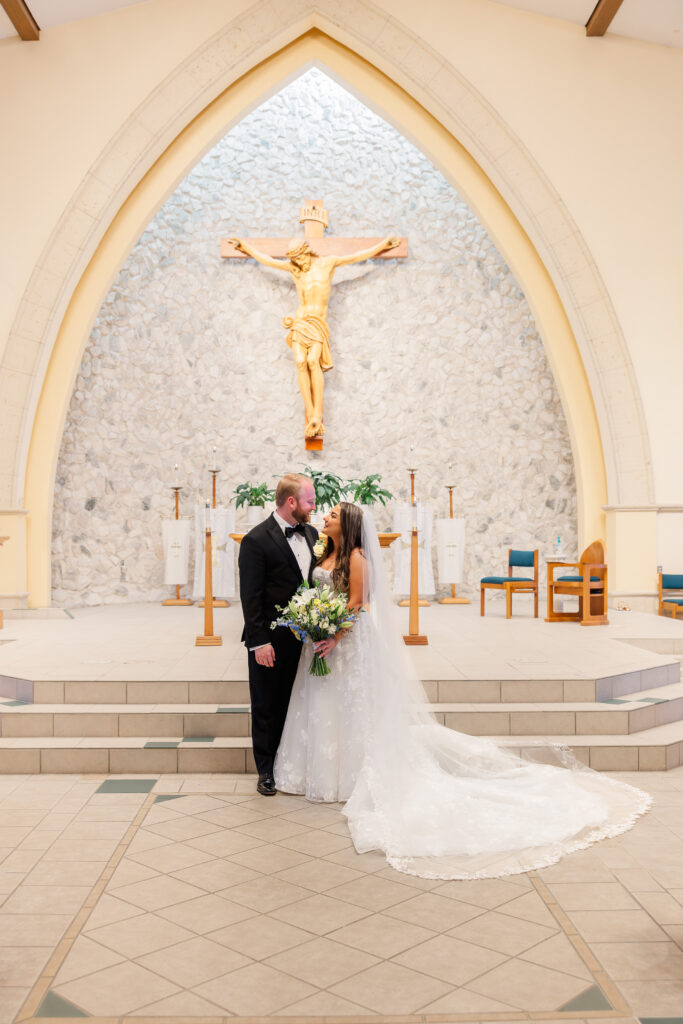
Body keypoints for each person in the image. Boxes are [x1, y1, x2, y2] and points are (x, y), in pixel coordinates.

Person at [274, 502, 652, 880]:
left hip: (348, 647)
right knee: (327, 707)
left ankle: (353, 775)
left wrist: (334, 636)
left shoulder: (356, 558)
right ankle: (321, 772)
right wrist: (315, 626)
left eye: (334, 515)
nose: (325, 517)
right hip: (324, 646)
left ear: (350, 525)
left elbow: (357, 605)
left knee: (352, 708)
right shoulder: (327, 552)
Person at [226, 236, 400, 438]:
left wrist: (382, 246)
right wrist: (246, 248)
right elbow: (269, 261)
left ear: (306, 251)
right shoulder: (296, 271)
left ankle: (318, 411)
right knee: (300, 362)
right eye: (295, 260)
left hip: (318, 324)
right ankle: (311, 412)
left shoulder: (328, 263)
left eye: (300, 258)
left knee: (312, 361)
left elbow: (357, 256)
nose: (299, 263)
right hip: (301, 322)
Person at [238, 473, 317, 796]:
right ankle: (266, 770)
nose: (314, 507)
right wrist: (259, 642)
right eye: (310, 501)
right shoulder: (256, 540)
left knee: (298, 702)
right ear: (291, 502)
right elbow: (250, 595)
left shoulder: (312, 533)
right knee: (268, 704)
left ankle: (294, 764)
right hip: (271, 638)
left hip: (307, 638)